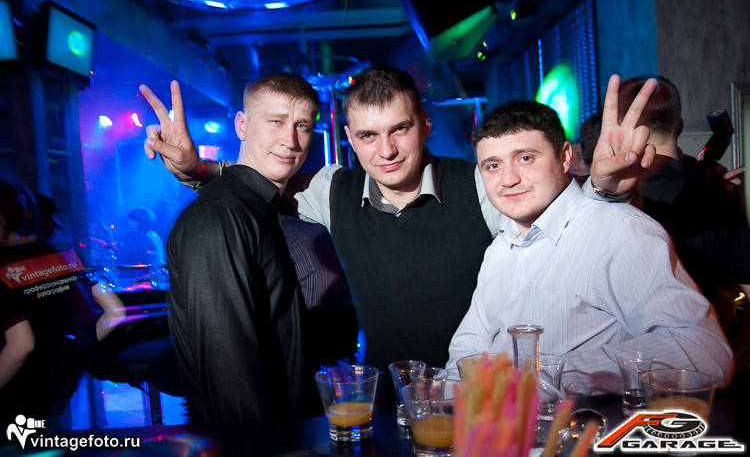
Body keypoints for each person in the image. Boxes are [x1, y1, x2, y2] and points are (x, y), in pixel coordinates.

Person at [142, 68, 657, 398]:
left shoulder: (480, 184)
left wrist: (606, 190)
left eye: (400, 130)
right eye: (368, 135)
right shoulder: (333, 191)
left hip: (479, 401)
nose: (385, 151)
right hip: (386, 402)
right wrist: (196, 169)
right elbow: (264, 179)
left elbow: (565, 228)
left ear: (425, 125)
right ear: (349, 138)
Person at [445, 100, 733, 394]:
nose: (508, 179)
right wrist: (449, 401)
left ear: (565, 156)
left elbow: (703, 352)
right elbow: (466, 351)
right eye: (493, 166)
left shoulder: (616, 230)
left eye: (526, 158)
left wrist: (551, 377)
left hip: (575, 421)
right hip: (495, 420)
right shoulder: (500, 247)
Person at [139, 73, 319, 423]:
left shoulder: (258, 206)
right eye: (276, 122)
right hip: (257, 440)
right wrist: (262, 445)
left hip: (285, 431)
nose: (290, 141)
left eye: (302, 126)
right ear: (242, 125)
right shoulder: (220, 215)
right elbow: (230, 377)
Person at [618, 76, 750, 337]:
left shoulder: (608, 198)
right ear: (679, 126)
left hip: (632, 353)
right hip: (709, 347)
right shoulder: (718, 195)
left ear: (623, 128)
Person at [0, 180, 124, 425]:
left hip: (13, 396)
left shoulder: (3, 269)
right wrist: (74, 354)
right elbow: (116, 311)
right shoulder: (65, 257)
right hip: (57, 389)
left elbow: (21, 345)